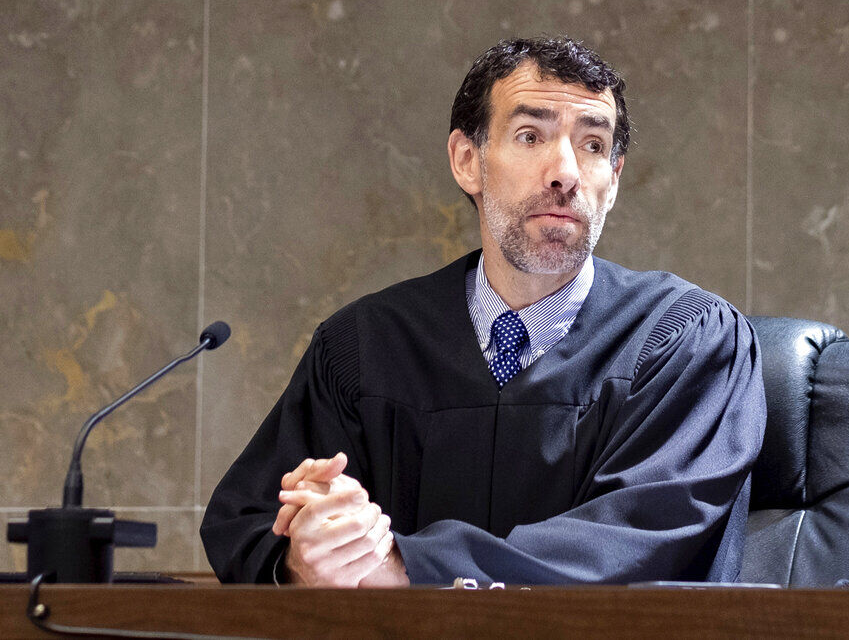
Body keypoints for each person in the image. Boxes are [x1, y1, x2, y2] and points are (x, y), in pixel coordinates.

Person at [201, 36, 767, 587]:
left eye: (593, 145)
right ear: (467, 160)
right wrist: (312, 555)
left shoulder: (688, 342)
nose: (566, 172)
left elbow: (639, 539)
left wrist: (405, 567)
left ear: (613, 181)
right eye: (529, 136)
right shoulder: (365, 347)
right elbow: (247, 523)